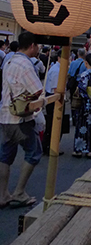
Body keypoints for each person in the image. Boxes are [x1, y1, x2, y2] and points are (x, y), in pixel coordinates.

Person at [0, 32, 43, 208]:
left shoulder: (9, 60)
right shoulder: (26, 65)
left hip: (4, 114)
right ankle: (19, 192)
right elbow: (37, 90)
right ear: (32, 45)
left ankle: (2, 195)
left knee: (5, 157)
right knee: (34, 152)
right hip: (20, 118)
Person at [42, 49, 64, 156]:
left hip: (52, 97)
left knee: (52, 124)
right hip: (53, 98)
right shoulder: (56, 70)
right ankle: (49, 147)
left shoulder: (57, 68)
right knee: (53, 125)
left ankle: (48, 146)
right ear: (59, 58)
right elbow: (56, 89)